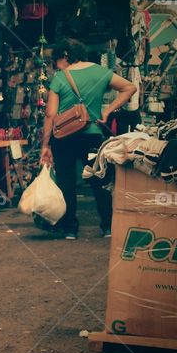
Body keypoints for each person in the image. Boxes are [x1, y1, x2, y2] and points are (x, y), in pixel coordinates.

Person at [40, 38, 137, 239]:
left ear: (65, 55)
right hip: (92, 135)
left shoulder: (59, 78)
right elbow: (130, 88)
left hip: (63, 138)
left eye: (57, 59)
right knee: (98, 180)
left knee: (67, 182)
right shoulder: (101, 72)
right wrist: (108, 111)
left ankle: (70, 229)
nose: (56, 65)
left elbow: (50, 114)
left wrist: (45, 144)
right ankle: (108, 227)